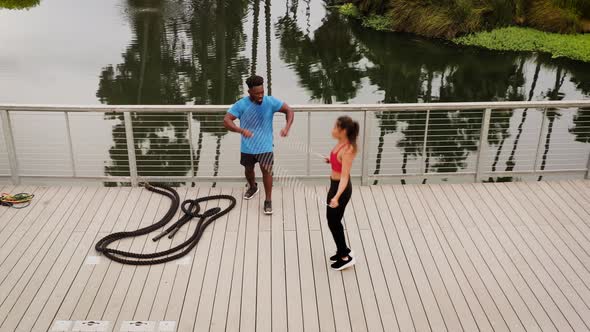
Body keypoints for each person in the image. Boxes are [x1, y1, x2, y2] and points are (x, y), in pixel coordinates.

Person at [223, 75, 294, 215]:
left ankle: (268, 200)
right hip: (247, 147)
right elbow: (226, 120)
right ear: (249, 92)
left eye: (262, 92)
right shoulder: (241, 104)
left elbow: (289, 111)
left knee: (267, 171)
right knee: (248, 170)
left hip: (265, 146)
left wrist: (287, 127)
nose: (261, 96)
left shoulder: (270, 101)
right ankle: (253, 187)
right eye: (257, 94)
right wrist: (240, 130)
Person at [325, 116, 359, 271]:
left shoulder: (348, 150)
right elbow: (338, 163)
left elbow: (345, 177)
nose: (332, 129)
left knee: (334, 222)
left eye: (335, 127)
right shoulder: (341, 143)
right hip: (334, 185)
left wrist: (336, 197)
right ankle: (341, 250)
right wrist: (331, 160)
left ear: (343, 131)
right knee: (333, 220)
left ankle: (345, 257)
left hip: (341, 189)